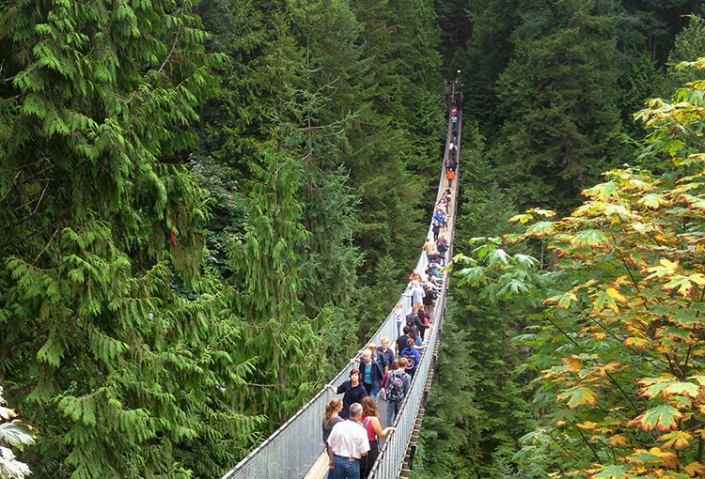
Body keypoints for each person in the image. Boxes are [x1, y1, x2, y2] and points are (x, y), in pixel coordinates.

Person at [327, 402, 370, 479]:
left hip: (338, 459)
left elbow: (330, 444)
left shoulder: (338, 426)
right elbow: (364, 452)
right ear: (359, 415)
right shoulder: (361, 430)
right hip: (352, 461)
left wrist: (331, 459)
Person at [359, 397, 395, 478]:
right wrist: (388, 428)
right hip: (371, 447)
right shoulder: (373, 419)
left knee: (361, 470)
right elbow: (381, 435)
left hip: (359, 447)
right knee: (371, 469)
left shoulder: (358, 417)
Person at [322, 398, 345, 479]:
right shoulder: (340, 422)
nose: (342, 407)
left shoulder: (325, 419)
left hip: (329, 449)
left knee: (333, 467)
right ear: (337, 408)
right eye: (341, 405)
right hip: (338, 450)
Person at [385, 358, 411, 426]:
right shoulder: (407, 377)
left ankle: (389, 430)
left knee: (389, 414)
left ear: (398, 364)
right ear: (406, 365)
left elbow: (386, 386)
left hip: (390, 397)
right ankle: (395, 428)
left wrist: (387, 395)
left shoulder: (391, 373)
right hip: (400, 398)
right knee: (399, 414)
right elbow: (407, 389)